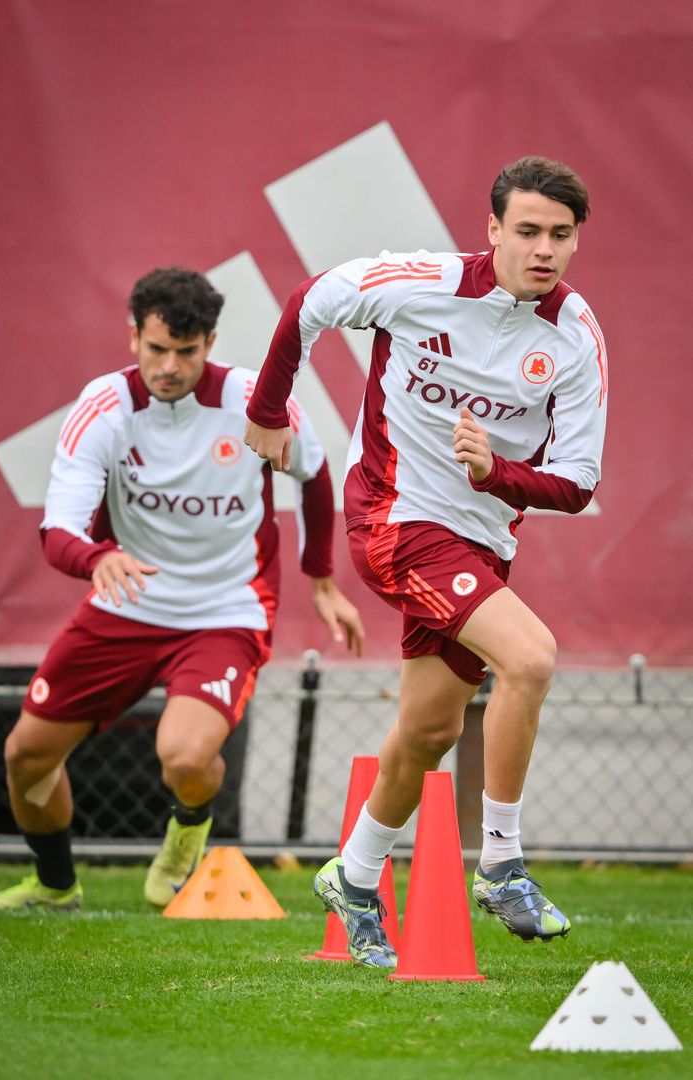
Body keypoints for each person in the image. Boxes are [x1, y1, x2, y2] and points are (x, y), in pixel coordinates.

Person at [244, 156, 607, 967]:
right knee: (533, 656)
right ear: (492, 230)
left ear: (577, 240)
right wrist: (269, 408)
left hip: (479, 542)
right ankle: (504, 864)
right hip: (393, 519)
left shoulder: (577, 337)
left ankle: (358, 873)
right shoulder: (422, 283)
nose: (543, 248)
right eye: (527, 231)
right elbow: (313, 300)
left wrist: (497, 475)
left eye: (560, 234)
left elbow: (578, 484)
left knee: (429, 729)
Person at [0, 267, 364, 912]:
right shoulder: (104, 407)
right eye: (157, 349)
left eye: (186, 351)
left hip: (225, 611)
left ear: (209, 342)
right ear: (133, 337)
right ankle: (54, 885)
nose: (170, 366)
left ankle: (188, 829)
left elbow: (316, 477)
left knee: (182, 756)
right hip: (124, 605)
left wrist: (322, 579)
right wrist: (96, 556)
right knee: (25, 757)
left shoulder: (252, 398)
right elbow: (57, 533)